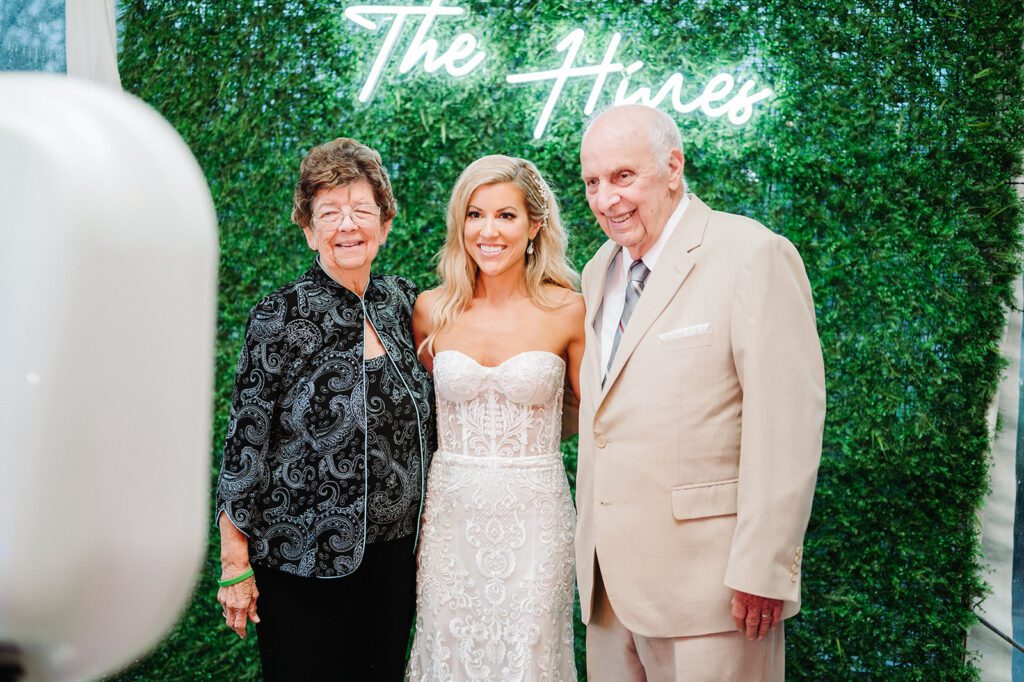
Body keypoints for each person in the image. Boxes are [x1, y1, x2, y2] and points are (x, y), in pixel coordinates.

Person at [575, 104, 826, 681]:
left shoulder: (751, 254)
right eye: (592, 182)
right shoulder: (598, 271)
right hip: (608, 593)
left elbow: (787, 422)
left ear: (673, 166)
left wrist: (765, 568)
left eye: (622, 177)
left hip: (713, 594)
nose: (606, 199)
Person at [214, 137, 436, 681]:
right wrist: (233, 564)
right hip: (300, 560)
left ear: (384, 224)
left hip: (393, 562)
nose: (347, 225)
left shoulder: (406, 303)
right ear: (309, 229)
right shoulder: (279, 315)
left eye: (362, 209)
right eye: (329, 212)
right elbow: (246, 440)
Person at [406, 155, 586, 680]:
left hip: (536, 517)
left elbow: (596, 418)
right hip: (451, 518)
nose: (488, 231)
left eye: (506, 216)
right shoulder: (430, 311)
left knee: (529, 656)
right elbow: (421, 419)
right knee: (449, 651)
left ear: (535, 225)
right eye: (475, 214)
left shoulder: (567, 309)